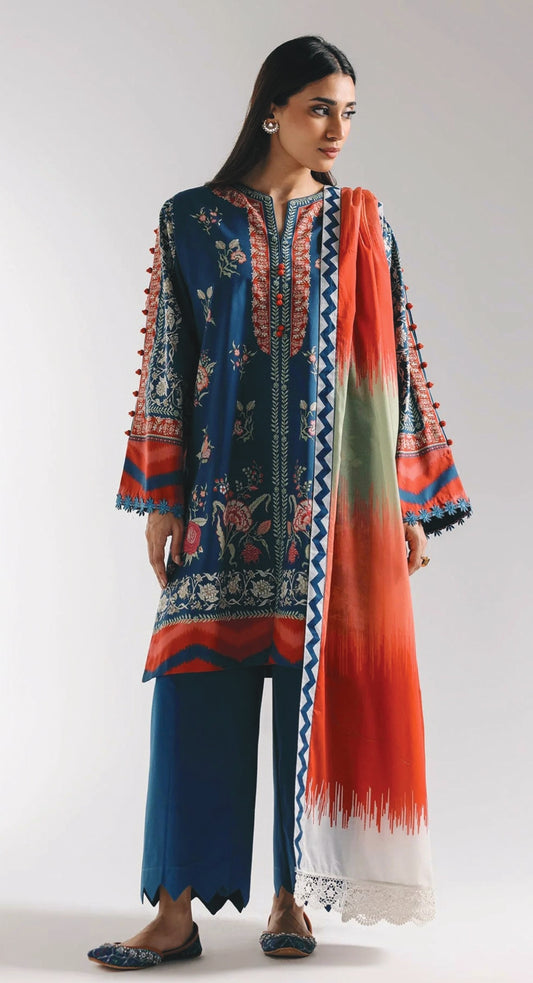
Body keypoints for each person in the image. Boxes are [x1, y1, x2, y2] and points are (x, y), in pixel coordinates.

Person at [88, 35, 472, 970]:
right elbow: (168, 363)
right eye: (318, 109)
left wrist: (408, 505)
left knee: (316, 701)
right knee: (191, 698)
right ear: (272, 111)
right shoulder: (190, 219)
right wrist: (160, 498)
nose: (337, 129)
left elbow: (390, 378)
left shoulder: (362, 228)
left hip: (333, 525)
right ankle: (174, 913)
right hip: (219, 510)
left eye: (348, 112)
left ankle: (294, 901)